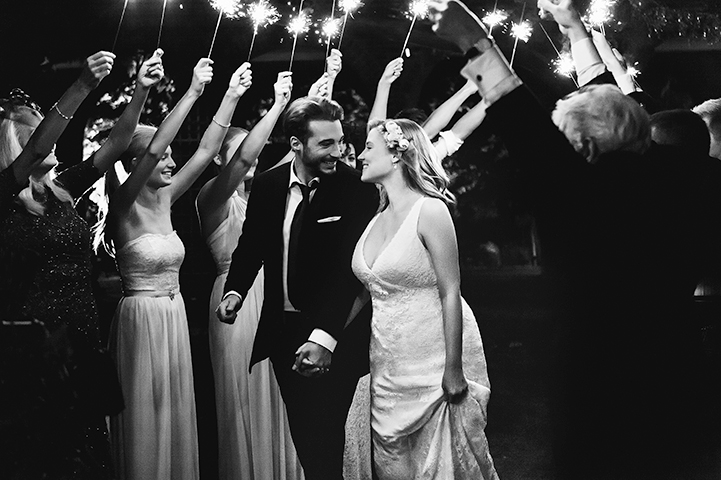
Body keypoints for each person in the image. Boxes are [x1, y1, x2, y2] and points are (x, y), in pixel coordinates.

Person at [428, 0, 721, 477]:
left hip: (603, 389)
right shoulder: (685, 177)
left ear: (582, 147)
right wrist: (574, 29)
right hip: (679, 373)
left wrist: (473, 41)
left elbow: (525, 128)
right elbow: (620, 107)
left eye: (566, 141)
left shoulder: (589, 192)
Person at [100, 58, 252, 480]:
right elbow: (149, 148)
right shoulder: (125, 205)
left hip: (174, 316)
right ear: (135, 167)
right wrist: (190, 92)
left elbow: (206, 151)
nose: (169, 162)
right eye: (163, 157)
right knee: (146, 410)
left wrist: (230, 96)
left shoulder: (167, 199)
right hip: (142, 319)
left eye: (170, 156)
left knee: (174, 408)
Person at [216, 95, 379, 479]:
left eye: (339, 141)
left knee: (330, 443)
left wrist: (324, 338)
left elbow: (349, 275)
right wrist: (235, 290)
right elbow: (252, 244)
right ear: (296, 145)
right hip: (283, 334)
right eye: (326, 143)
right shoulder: (270, 185)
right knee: (306, 440)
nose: (338, 151)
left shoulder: (356, 191)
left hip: (336, 334)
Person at [352, 117, 499, 479]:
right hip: (386, 365)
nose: (359, 156)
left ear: (398, 154)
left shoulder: (430, 210)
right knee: (391, 464)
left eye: (369, 147)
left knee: (441, 465)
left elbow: (450, 291)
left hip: (432, 364)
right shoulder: (376, 219)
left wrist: (453, 369)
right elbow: (367, 290)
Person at [196, 71, 304, 480]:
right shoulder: (212, 199)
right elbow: (245, 159)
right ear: (221, 160)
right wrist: (277, 106)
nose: (252, 158)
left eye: (256, 152)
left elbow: (285, 161)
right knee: (244, 399)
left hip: (272, 298)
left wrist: (309, 97)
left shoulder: (260, 195)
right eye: (243, 154)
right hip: (234, 303)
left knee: (280, 396)